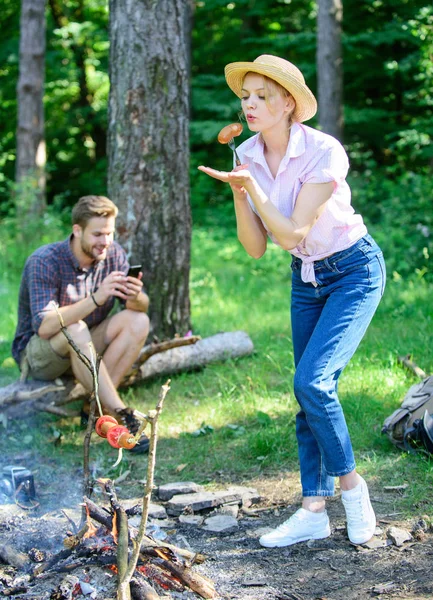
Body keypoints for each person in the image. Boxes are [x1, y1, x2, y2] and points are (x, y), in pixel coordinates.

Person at [198, 55, 386, 546]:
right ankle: (313, 509)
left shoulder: (324, 151)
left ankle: (352, 488)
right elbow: (256, 246)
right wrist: (242, 192)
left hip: (353, 272)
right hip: (306, 278)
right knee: (309, 395)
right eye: (246, 97)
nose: (250, 105)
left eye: (262, 96)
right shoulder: (249, 157)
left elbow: (292, 231)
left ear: (288, 104)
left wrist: (253, 189)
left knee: (313, 381)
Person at [12, 195, 151, 453]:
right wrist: (96, 298)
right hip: (41, 355)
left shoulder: (112, 254)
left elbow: (139, 307)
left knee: (138, 320)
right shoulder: (44, 260)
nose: (106, 241)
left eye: (109, 233)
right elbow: (44, 326)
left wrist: (136, 295)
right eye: (98, 234)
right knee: (75, 327)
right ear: (77, 230)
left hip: (85, 350)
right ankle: (119, 412)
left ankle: (93, 409)